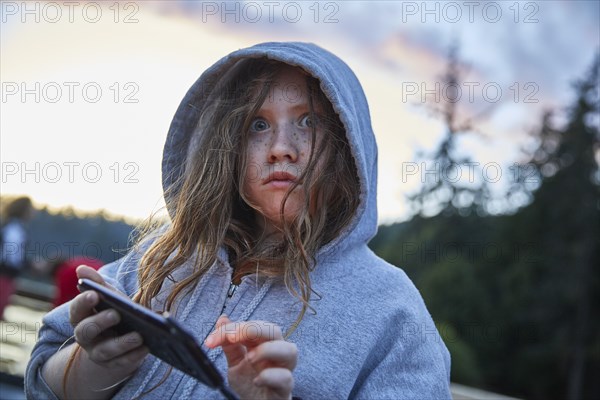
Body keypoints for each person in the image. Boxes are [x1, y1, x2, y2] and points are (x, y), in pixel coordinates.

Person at [25, 42, 451, 399]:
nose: (281, 148)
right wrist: (93, 365)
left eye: (309, 121)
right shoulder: (164, 254)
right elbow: (42, 380)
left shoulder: (393, 311)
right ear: (228, 144)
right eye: (258, 125)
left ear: (348, 146)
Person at [0, 196, 34, 320]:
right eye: (31, 208)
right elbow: (13, 257)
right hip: (4, 277)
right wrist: (31, 265)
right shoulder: (15, 229)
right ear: (24, 210)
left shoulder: (9, 225)